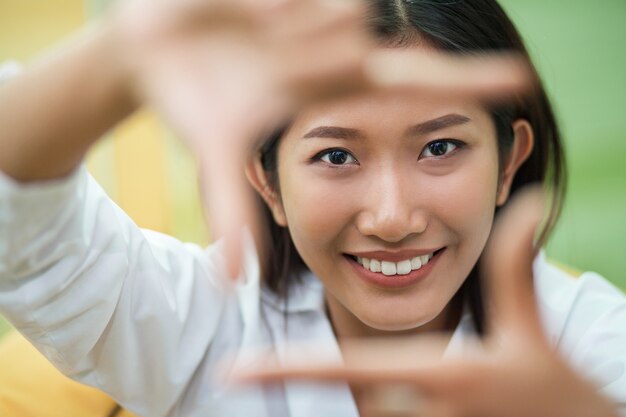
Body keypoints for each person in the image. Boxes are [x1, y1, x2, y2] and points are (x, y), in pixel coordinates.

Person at [0, 0, 624, 416]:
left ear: (509, 163)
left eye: (440, 146)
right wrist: (120, 58)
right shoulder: (201, 323)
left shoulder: (594, 343)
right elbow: (27, 231)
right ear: (267, 183)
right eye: (336, 157)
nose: (391, 217)